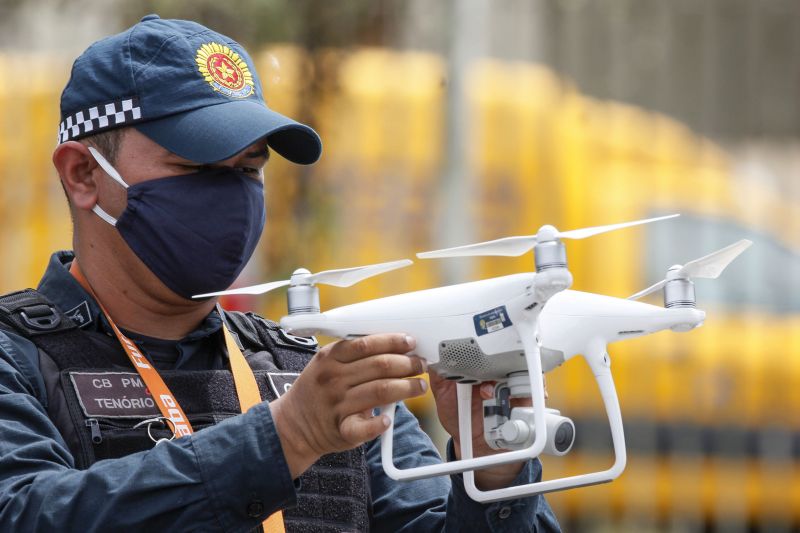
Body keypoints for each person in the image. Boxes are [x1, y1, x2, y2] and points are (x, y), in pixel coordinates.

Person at [0, 15, 560, 532]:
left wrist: (493, 474)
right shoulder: (16, 357)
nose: (229, 196)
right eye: (194, 168)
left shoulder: (313, 374)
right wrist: (285, 438)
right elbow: (26, 511)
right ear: (82, 175)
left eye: (248, 170)